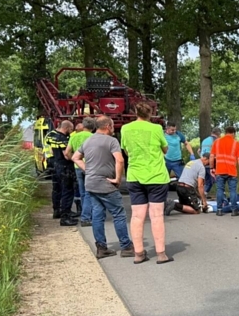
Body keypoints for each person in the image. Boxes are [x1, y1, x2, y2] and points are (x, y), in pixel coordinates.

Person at [72, 116, 134, 259]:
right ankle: (126, 246)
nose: (113, 129)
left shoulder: (88, 140)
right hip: (106, 183)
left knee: (98, 215)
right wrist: (118, 179)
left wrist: (87, 170)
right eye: (112, 126)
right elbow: (120, 159)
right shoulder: (111, 141)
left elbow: (75, 157)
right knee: (118, 213)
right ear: (107, 126)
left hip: (91, 183)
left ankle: (101, 248)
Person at [121, 102, 173, 264]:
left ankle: (138, 253)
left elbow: (126, 151)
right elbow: (165, 150)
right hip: (156, 176)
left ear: (136, 112)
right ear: (150, 113)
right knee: (156, 215)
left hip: (135, 175)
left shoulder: (125, 129)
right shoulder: (156, 129)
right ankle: (161, 254)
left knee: (137, 216)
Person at [65, 119, 97, 227]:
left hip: (77, 166)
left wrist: (73, 159)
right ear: (93, 127)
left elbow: (67, 152)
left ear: (83, 126)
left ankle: (85, 213)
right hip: (90, 166)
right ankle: (86, 217)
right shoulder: (93, 137)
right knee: (89, 193)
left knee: (83, 192)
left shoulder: (74, 136)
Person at [45, 120, 77, 225]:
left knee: (56, 189)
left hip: (53, 165)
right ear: (67, 128)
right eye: (71, 129)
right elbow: (66, 155)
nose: (71, 132)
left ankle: (56, 210)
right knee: (67, 191)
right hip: (64, 166)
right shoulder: (62, 139)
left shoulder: (50, 135)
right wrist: (77, 160)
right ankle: (65, 216)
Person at [212, 125, 239, 216]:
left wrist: (211, 168)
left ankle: (219, 210)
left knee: (220, 190)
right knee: (233, 190)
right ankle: (234, 210)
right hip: (231, 171)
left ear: (225, 133)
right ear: (233, 133)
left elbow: (211, 157)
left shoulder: (217, 142)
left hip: (220, 170)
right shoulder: (236, 143)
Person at [200, 127, 221, 196]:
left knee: (207, 181)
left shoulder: (205, 140)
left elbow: (201, 152)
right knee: (217, 180)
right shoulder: (217, 141)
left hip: (203, 162)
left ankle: (203, 194)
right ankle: (220, 195)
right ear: (218, 134)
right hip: (212, 163)